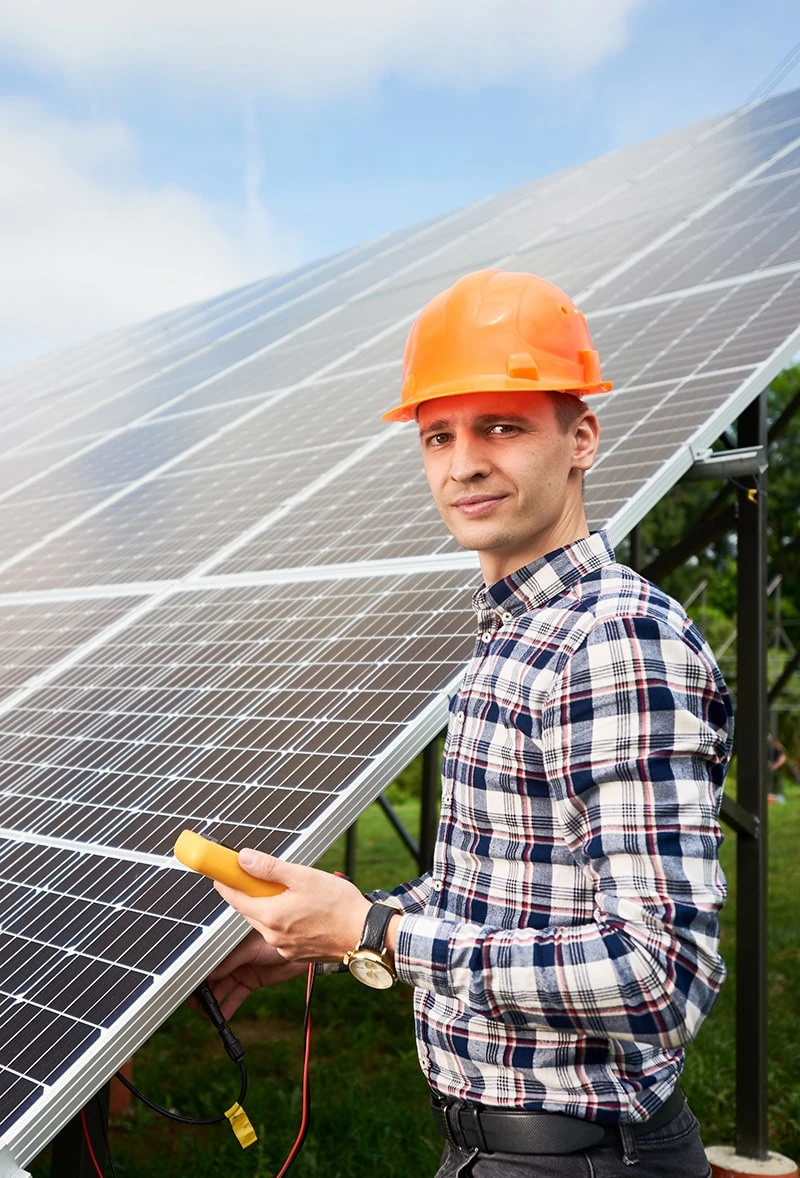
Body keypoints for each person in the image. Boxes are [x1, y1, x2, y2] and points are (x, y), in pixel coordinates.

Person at [207, 269, 734, 1177]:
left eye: (503, 426)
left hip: (582, 1159)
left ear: (581, 439)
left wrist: (375, 936)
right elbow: (500, 892)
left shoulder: (613, 640)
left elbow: (661, 978)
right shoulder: (519, 635)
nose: (464, 464)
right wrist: (330, 934)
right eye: (438, 435)